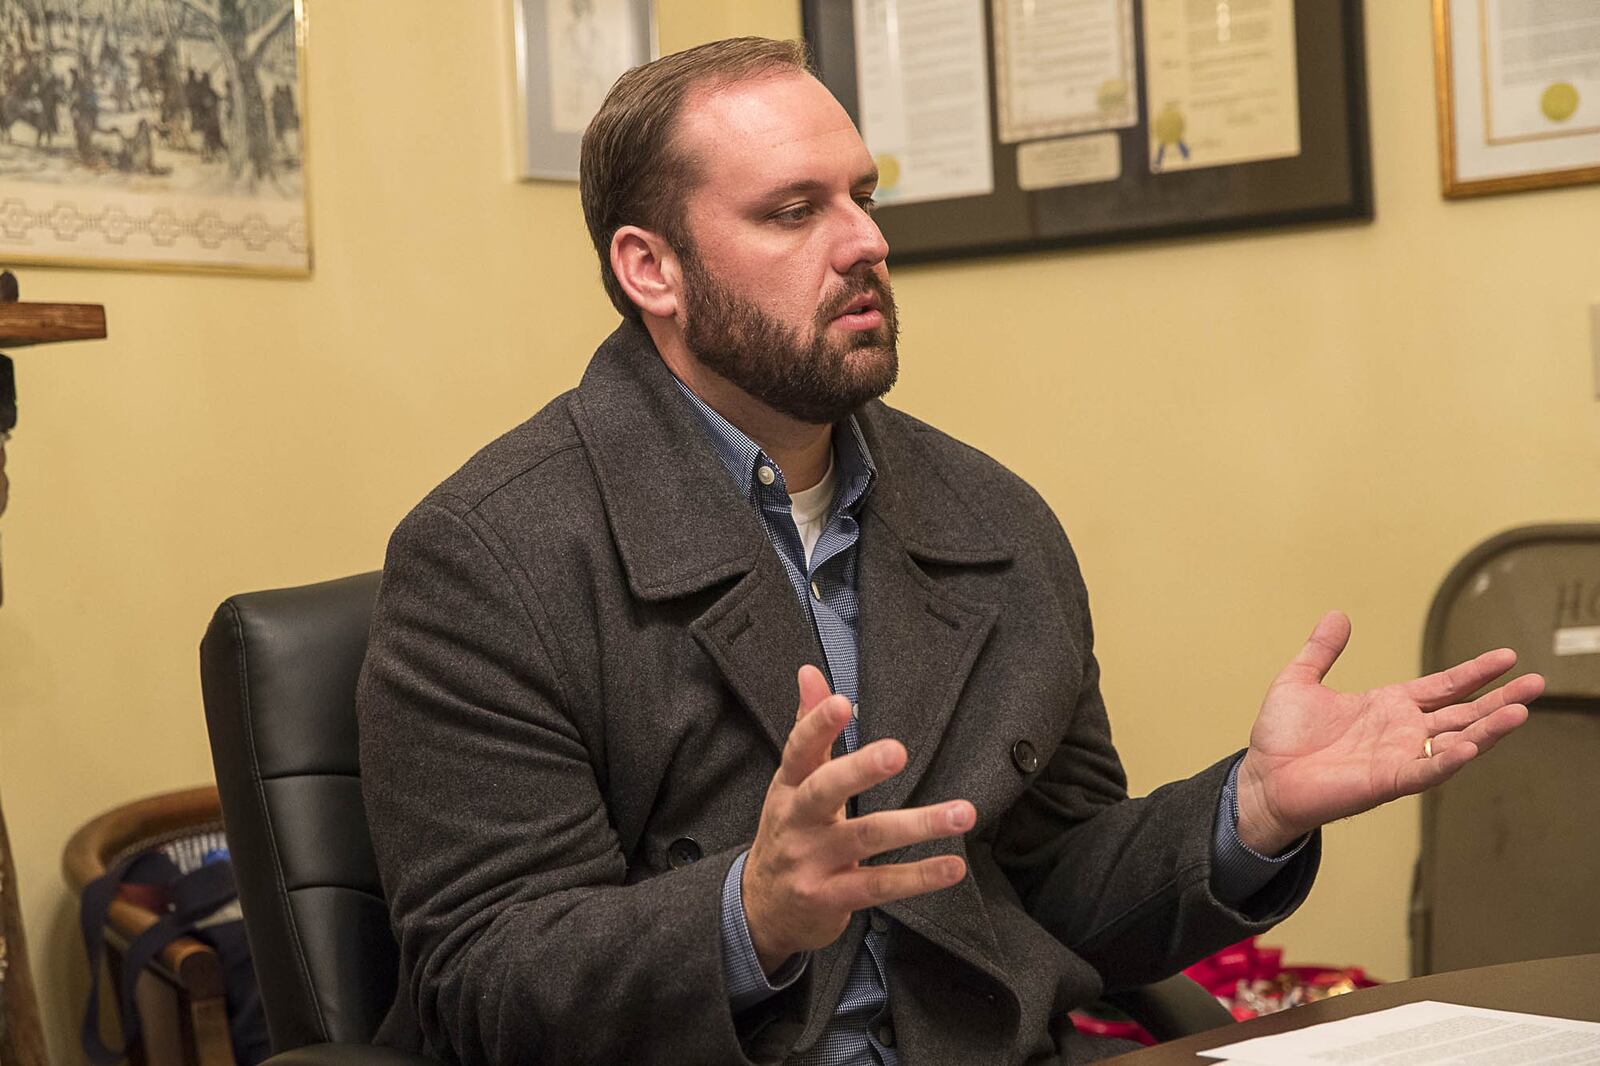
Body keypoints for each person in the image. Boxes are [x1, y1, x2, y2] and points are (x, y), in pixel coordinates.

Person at [355, 37, 1541, 1066]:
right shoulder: (488, 557)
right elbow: (483, 988)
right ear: (649, 268)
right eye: (791, 209)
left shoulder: (988, 517)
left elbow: (1046, 894)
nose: (864, 240)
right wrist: (748, 914)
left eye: (863, 194)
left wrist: (1249, 810)